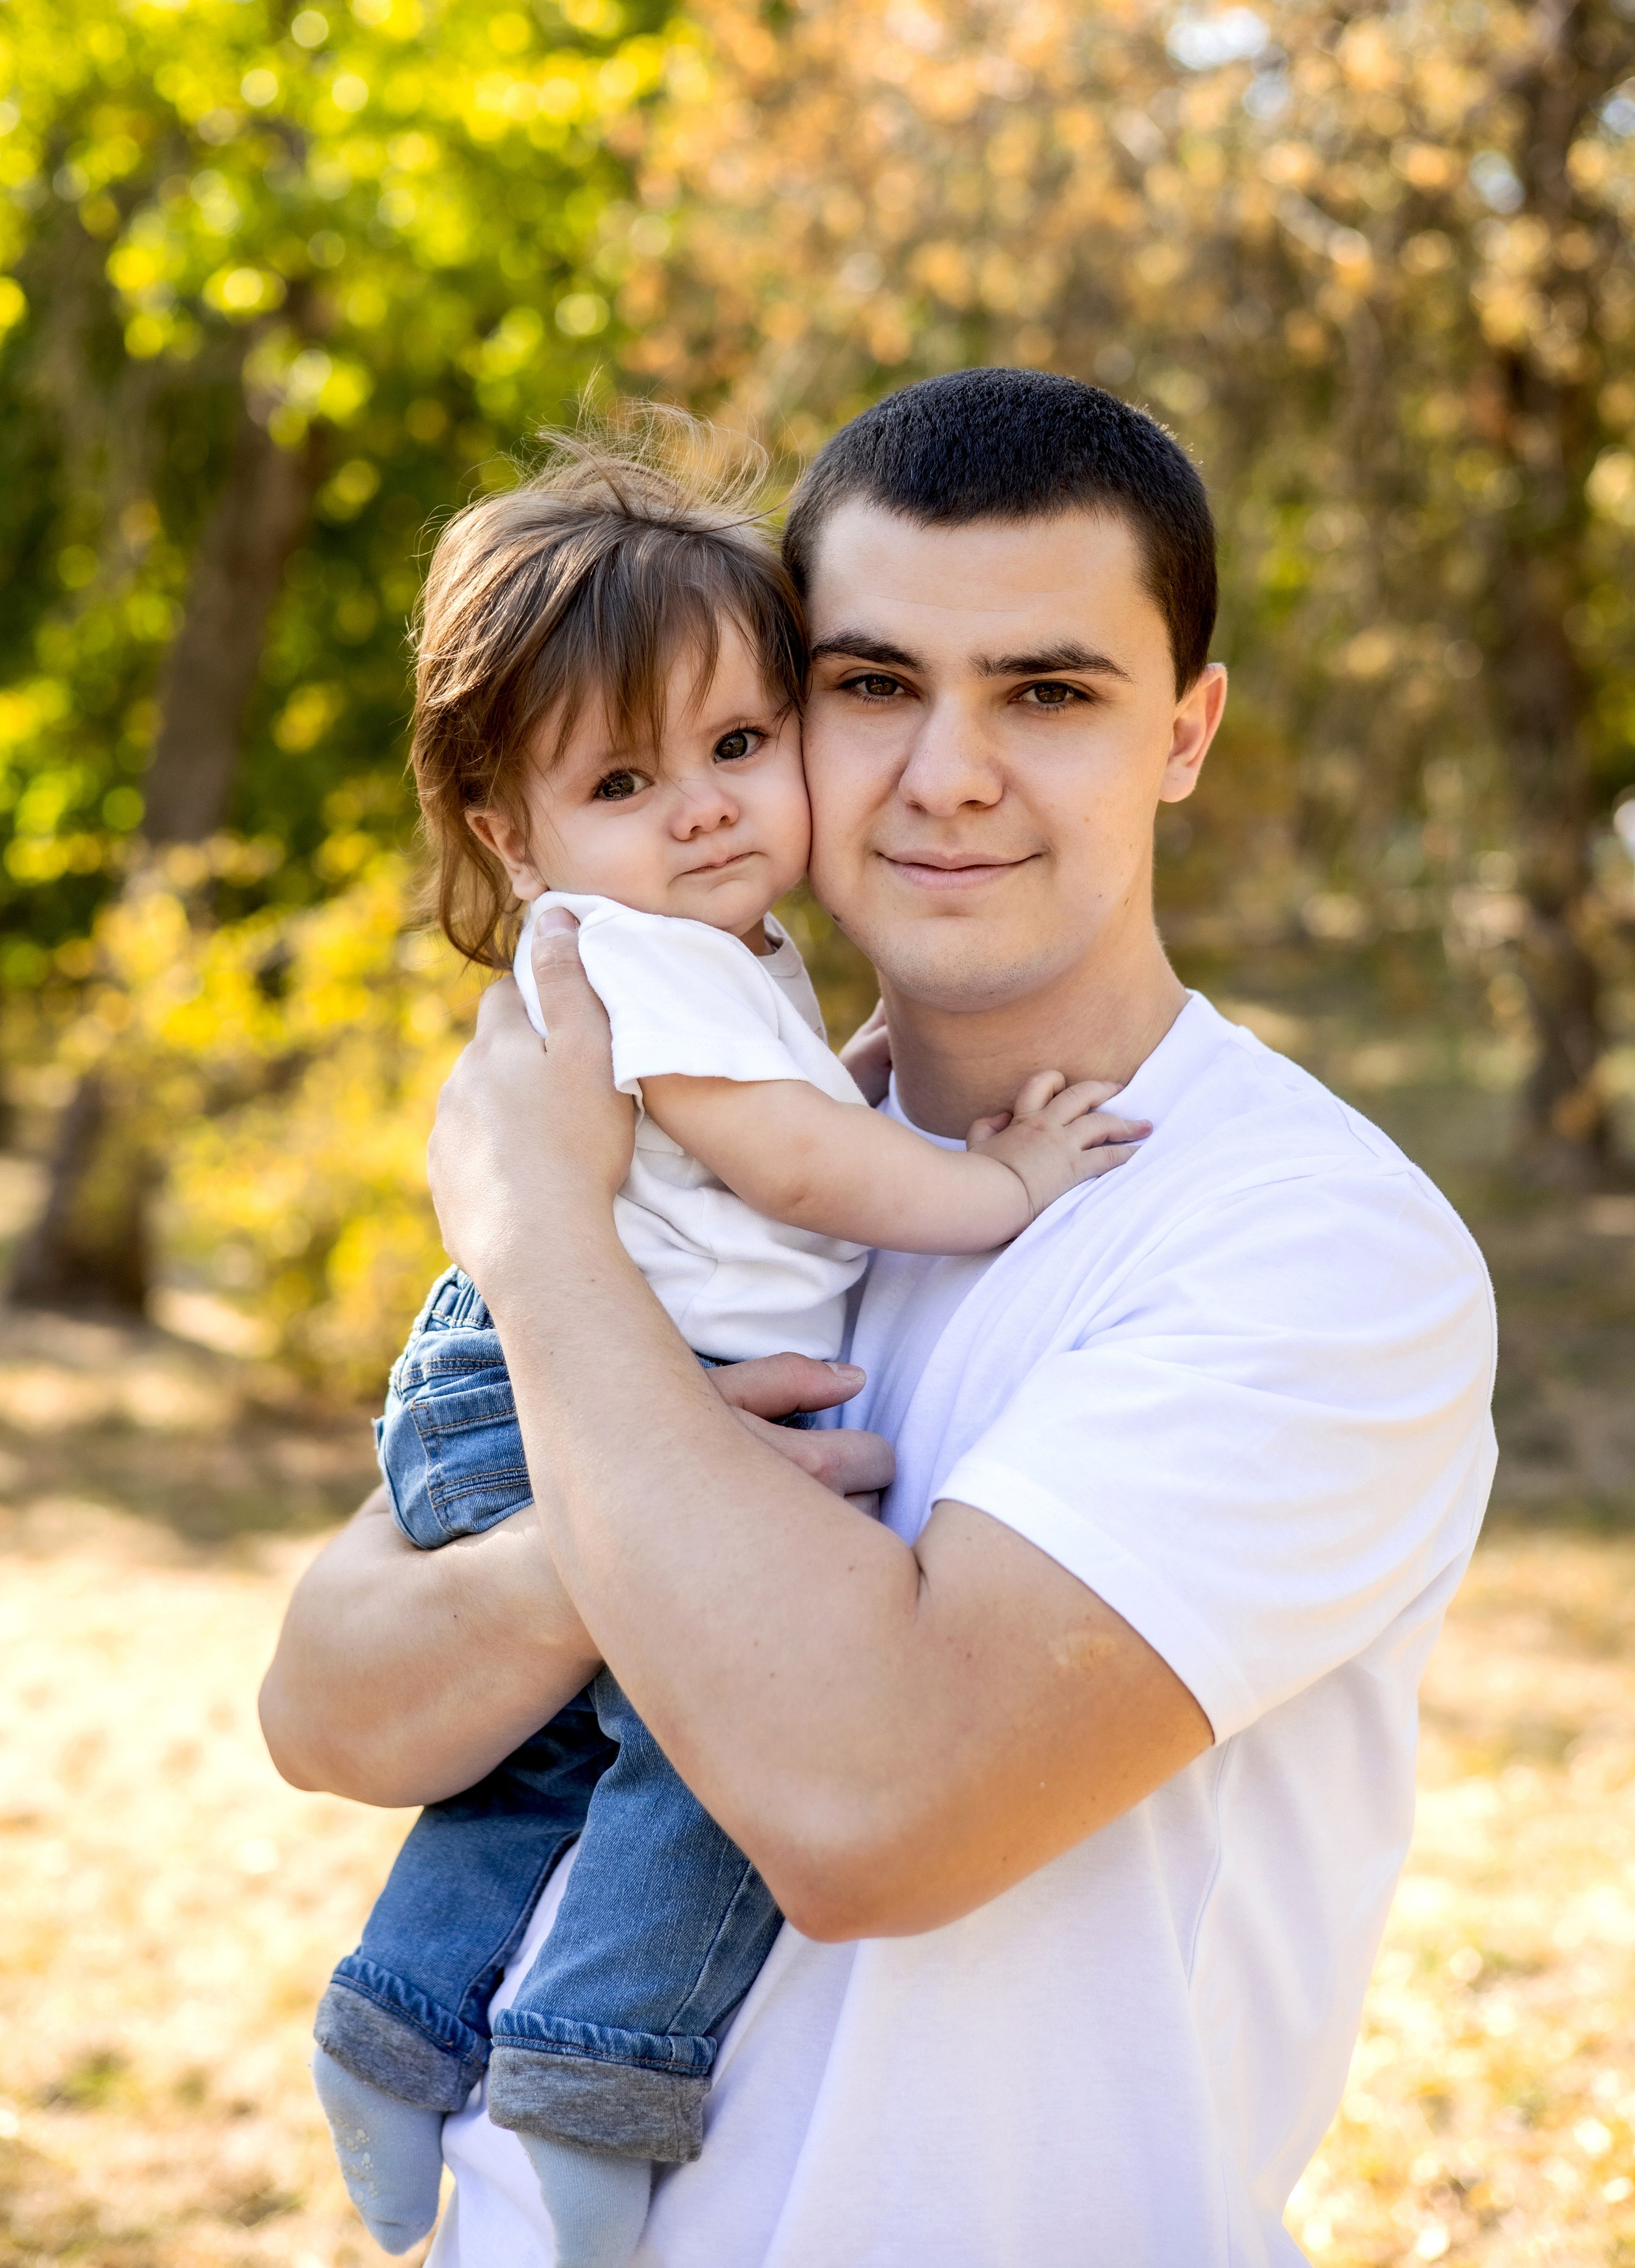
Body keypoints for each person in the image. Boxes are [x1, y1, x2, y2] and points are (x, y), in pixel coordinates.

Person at [262, 368, 1497, 2268]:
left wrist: (538, 1244)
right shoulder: (718, 1172)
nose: (947, 772)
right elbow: (331, 1707)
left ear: (1186, 730)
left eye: (1052, 693)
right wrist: (592, 1548)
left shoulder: (1308, 1245)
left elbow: (870, 1814)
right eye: (871, 685)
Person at [308, 428, 1146, 2267]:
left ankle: (395, 2021)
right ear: (505, 831)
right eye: (623, 777)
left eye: (739, 746)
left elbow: (754, 1121)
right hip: (599, 1391)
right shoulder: (645, 952)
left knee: (532, 1765)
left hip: (506, 1385)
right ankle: (593, 2077)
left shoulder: (695, 944)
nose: (699, 808)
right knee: (699, 1743)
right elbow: (789, 1155)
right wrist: (997, 1181)